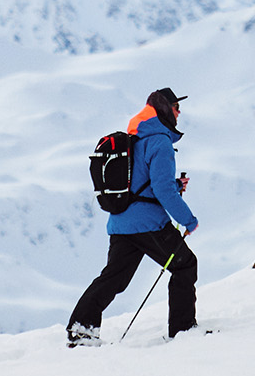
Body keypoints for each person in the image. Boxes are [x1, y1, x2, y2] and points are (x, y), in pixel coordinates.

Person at [66, 88, 200, 345]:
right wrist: (188, 220)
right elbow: (161, 190)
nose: (179, 111)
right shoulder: (159, 141)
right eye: (175, 106)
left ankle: (81, 328)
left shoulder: (136, 138)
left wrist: (173, 184)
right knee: (185, 265)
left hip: (120, 223)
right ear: (164, 109)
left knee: (114, 278)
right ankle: (184, 332)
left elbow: (141, 181)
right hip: (149, 223)